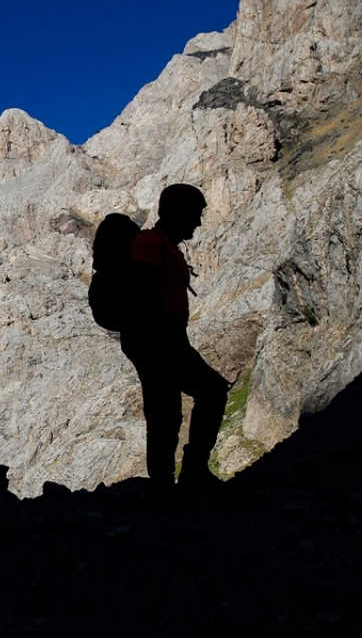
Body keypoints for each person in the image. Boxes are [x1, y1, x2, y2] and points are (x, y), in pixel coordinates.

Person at [121, 184, 231, 501]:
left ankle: (167, 485)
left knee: (166, 409)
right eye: (195, 215)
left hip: (159, 333)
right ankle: (177, 480)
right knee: (203, 395)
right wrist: (163, 331)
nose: (198, 223)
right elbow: (142, 286)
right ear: (178, 213)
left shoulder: (164, 244)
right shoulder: (150, 242)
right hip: (156, 334)